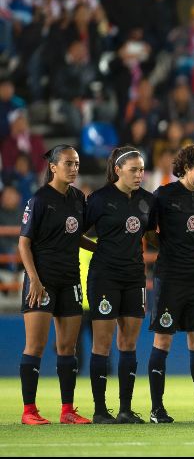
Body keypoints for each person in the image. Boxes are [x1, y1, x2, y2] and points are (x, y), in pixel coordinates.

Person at [146, 144, 194, 423]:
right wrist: (168, 245)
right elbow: (149, 232)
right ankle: (157, 409)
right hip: (169, 275)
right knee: (163, 339)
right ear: (185, 167)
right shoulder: (163, 195)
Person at [18, 145, 95, 425]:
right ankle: (29, 411)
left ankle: (67, 410)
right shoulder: (39, 200)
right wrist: (35, 281)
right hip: (43, 280)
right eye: (68, 163)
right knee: (35, 346)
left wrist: (101, 249)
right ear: (53, 167)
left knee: (68, 348)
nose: (74, 168)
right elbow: (24, 243)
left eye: (76, 163)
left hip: (69, 280)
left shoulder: (77, 198)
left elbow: (75, 237)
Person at [84, 146, 154, 424]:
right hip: (104, 277)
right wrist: (99, 250)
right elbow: (75, 232)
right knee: (102, 344)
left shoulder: (148, 200)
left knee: (128, 344)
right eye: (133, 169)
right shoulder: (99, 200)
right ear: (118, 170)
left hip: (135, 276)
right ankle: (100, 410)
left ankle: (125, 409)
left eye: (141, 169)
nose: (139, 175)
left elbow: (154, 234)